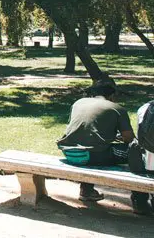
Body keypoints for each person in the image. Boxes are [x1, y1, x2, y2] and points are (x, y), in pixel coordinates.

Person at [57, 77, 151, 215]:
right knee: (136, 153)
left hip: (71, 153)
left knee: (93, 146)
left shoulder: (78, 103)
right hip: (94, 156)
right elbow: (129, 139)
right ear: (112, 95)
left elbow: (83, 129)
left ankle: (87, 190)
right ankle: (140, 202)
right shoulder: (117, 108)